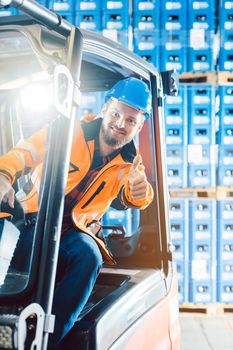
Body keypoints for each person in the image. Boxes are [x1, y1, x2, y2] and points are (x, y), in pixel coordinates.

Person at [0, 77, 154, 348]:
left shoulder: (129, 162)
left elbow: (137, 192)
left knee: (90, 256)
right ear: (106, 108)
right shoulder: (68, 131)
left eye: (131, 121)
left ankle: (45, 340)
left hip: (74, 234)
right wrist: (4, 173)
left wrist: (142, 194)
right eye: (117, 114)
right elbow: (26, 153)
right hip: (36, 221)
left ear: (139, 126)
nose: (121, 124)